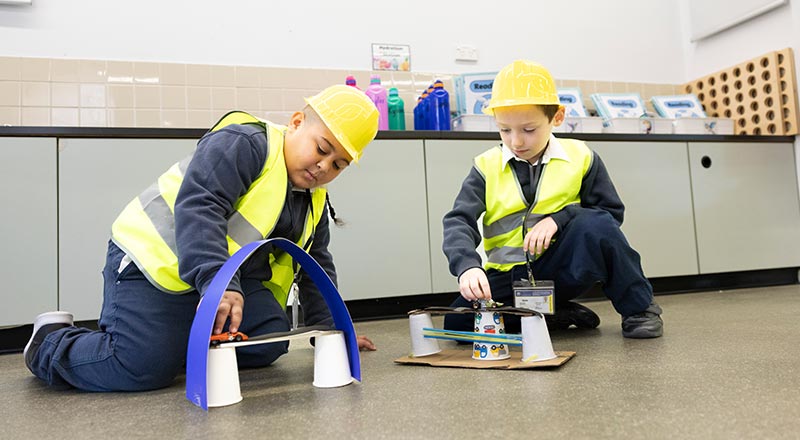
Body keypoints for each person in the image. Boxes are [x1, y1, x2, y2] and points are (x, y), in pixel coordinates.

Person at [25, 85, 379, 391]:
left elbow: (315, 266)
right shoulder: (246, 144)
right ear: (297, 123)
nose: (323, 167)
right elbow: (200, 206)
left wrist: (332, 334)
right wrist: (218, 284)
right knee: (139, 367)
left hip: (216, 278)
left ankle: (174, 344)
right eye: (321, 149)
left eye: (338, 164)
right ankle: (50, 343)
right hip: (155, 265)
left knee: (268, 340)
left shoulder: (314, 200)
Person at [442, 60, 663, 338]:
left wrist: (559, 219)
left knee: (598, 226)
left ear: (557, 117)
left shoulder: (581, 157)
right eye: (504, 130)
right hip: (509, 277)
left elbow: (609, 215)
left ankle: (640, 309)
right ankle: (554, 314)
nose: (516, 141)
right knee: (457, 324)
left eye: (529, 129)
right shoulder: (485, 166)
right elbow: (458, 221)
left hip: (563, 269)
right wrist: (467, 266)